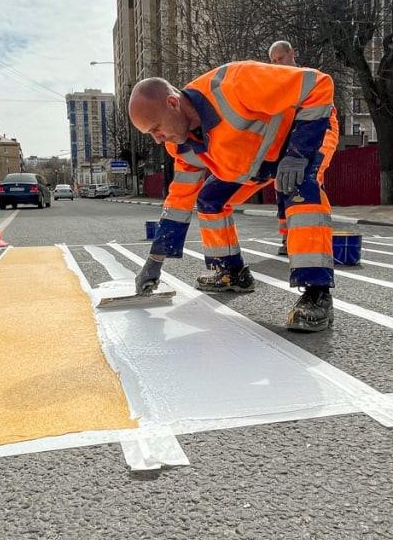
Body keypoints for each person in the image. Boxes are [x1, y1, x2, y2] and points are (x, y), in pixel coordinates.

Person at [129, 61, 339, 332]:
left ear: (172, 103)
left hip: (305, 134)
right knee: (210, 200)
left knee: (299, 191)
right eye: (151, 134)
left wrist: (298, 154)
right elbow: (179, 201)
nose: (158, 139)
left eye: (156, 128)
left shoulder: (234, 83)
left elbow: (318, 84)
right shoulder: (180, 146)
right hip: (257, 160)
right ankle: (232, 272)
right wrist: (154, 261)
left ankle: (317, 294)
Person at [268, 40, 298, 255]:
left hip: (304, 145)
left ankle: (302, 239)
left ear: (291, 54)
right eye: (273, 61)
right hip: (282, 145)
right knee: (282, 192)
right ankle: (288, 239)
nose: (277, 63)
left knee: (302, 191)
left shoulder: (306, 78)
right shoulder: (273, 84)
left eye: (280, 58)